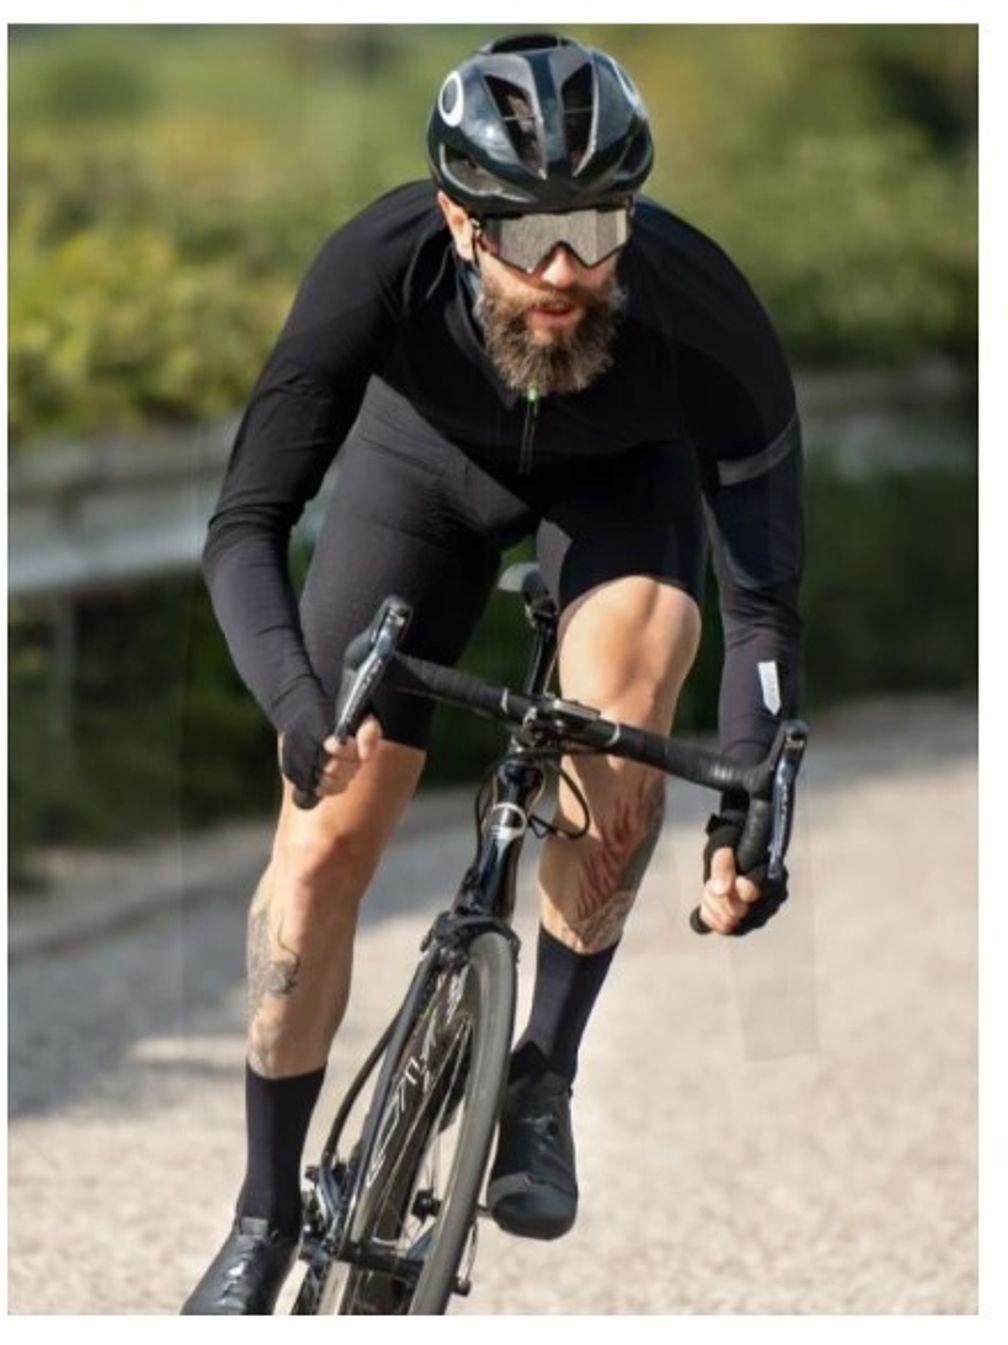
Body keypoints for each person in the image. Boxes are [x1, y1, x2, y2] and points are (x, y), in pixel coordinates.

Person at [181, 32, 804, 1315]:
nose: (566, 269)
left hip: (622, 491)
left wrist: (750, 801)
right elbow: (244, 526)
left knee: (628, 697)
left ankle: (540, 1077)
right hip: (421, 475)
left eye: (596, 225)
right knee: (316, 853)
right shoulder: (375, 266)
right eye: (529, 235)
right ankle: (264, 1206)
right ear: (461, 221)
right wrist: (296, 707)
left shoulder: (706, 316)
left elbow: (762, 607)